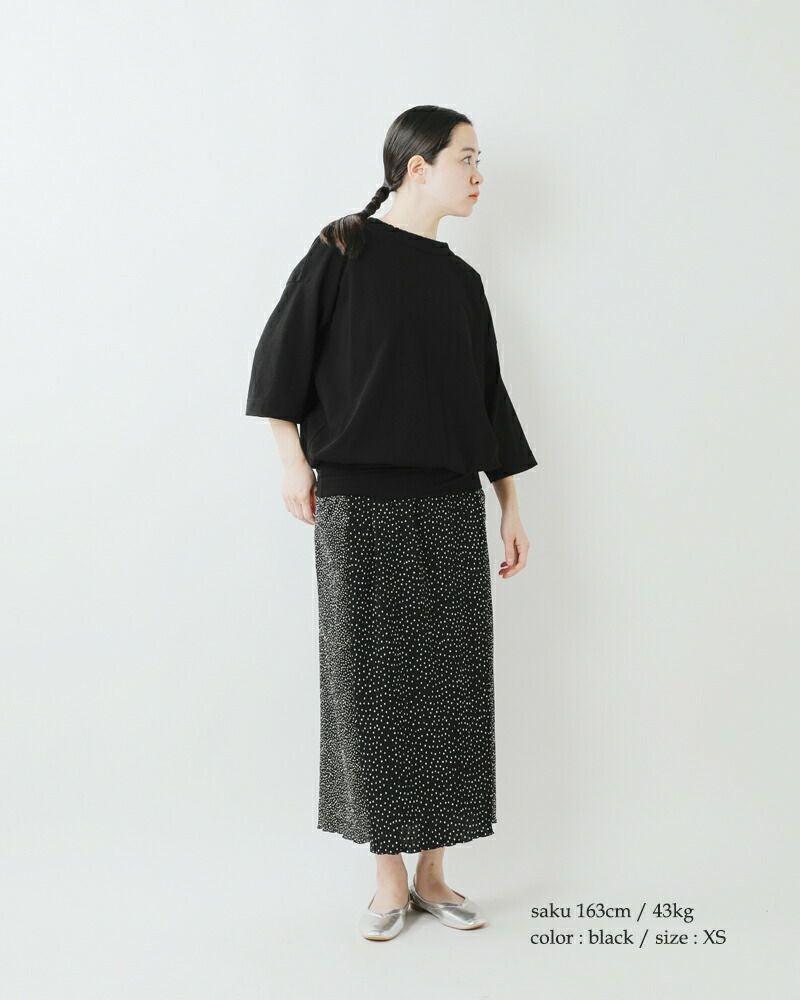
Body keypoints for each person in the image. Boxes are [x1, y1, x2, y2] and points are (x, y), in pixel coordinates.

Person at [245, 104, 538, 941]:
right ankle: (386, 875)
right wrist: (292, 460)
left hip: (449, 504)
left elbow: (487, 399)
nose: (478, 175)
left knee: (450, 690)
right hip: (359, 505)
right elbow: (279, 360)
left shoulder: (461, 282)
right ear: (418, 166)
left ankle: (435, 873)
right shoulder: (342, 249)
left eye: (480, 159)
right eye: (466, 158)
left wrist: (511, 505)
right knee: (369, 689)